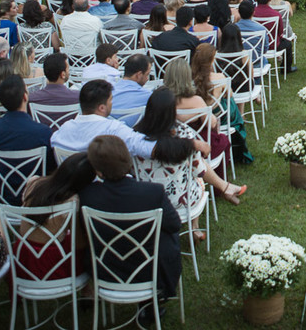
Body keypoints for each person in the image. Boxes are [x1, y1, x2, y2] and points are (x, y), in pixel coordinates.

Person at [78, 134, 181, 325]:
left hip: (105, 270)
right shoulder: (152, 192)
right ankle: (154, 301)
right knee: (168, 235)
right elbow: (175, 225)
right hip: (150, 271)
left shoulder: (87, 195)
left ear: (98, 170)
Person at [133, 88, 246, 232]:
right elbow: (199, 170)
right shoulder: (182, 134)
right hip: (179, 201)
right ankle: (195, 227)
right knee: (197, 175)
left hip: (146, 198)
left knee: (191, 166)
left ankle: (225, 188)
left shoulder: (134, 136)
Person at [16, 152, 96, 280]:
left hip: (23, 256)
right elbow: (78, 243)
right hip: (51, 263)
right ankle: (87, 286)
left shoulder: (34, 182)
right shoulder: (71, 201)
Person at [50, 80, 156, 158]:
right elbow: (148, 148)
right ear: (102, 107)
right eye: (110, 100)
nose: (112, 103)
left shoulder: (63, 130)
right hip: (105, 181)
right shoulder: (113, 129)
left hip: (70, 181)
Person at [111, 53, 154, 124]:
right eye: (147, 74)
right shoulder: (148, 96)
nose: (147, 79)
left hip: (108, 129)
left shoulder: (108, 93)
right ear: (139, 75)